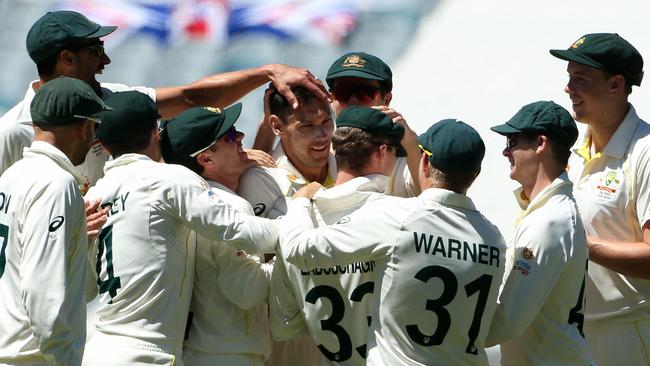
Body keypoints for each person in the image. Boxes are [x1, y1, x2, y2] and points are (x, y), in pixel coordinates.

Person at [0, 10, 328, 189]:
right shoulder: (14, 131)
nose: (106, 61)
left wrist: (267, 72)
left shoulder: (116, 100)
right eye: (96, 51)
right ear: (67, 59)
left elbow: (191, 97)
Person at [279, 119, 507, 365]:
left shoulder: (396, 215)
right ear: (476, 173)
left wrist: (300, 202)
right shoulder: (493, 238)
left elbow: (298, 248)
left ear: (425, 162)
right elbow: (497, 328)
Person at [82, 91, 279, 366]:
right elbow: (239, 230)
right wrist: (303, 227)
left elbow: (86, 290)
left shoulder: (93, 195)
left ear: (101, 144)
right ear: (154, 131)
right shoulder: (167, 178)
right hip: (146, 353)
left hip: (99, 348)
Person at [269, 106, 406, 365]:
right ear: (381, 153)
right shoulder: (400, 216)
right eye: (394, 150)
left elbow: (283, 325)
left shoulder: (296, 223)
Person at [550, 33, 650, 365]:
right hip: (576, 333)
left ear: (615, 85)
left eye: (580, 79)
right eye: (568, 78)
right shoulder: (576, 153)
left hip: (631, 334)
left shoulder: (645, 151)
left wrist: (583, 244)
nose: (568, 88)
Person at [0, 77, 111, 365]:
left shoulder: (11, 175)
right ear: (83, 127)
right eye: (95, 127)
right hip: (34, 356)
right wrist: (63, 357)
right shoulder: (56, 184)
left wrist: (76, 241)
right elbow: (42, 291)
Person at [161, 104, 273, 366]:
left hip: (199, 349)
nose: (241, 137)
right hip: (229, 352)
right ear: (206, 159)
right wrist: (288, 252)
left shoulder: (184, 204)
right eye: (230, 136)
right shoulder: (229, 207)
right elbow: (246, 290)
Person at [485, 101, 593, 365]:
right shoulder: (549, 212)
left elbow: (506, 322)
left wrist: (446, 337)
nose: (505, 152)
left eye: (512, 141)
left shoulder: (547, 222)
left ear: (541, 143)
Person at [238, 86, 332, 366]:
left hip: (349, 332)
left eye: (327, 121)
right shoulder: (258, 179)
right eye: (308, 126)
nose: (323, 135)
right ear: (277, 126)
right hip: (288, 338)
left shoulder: (351, 160)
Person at [253, 51, 421, 197]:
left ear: (386, 99)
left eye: (365, 93)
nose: (353, 101)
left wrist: (410, 141)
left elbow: (430, 201)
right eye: (343, 92)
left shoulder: (404, 153)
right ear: (331, 98)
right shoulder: (316, 147)